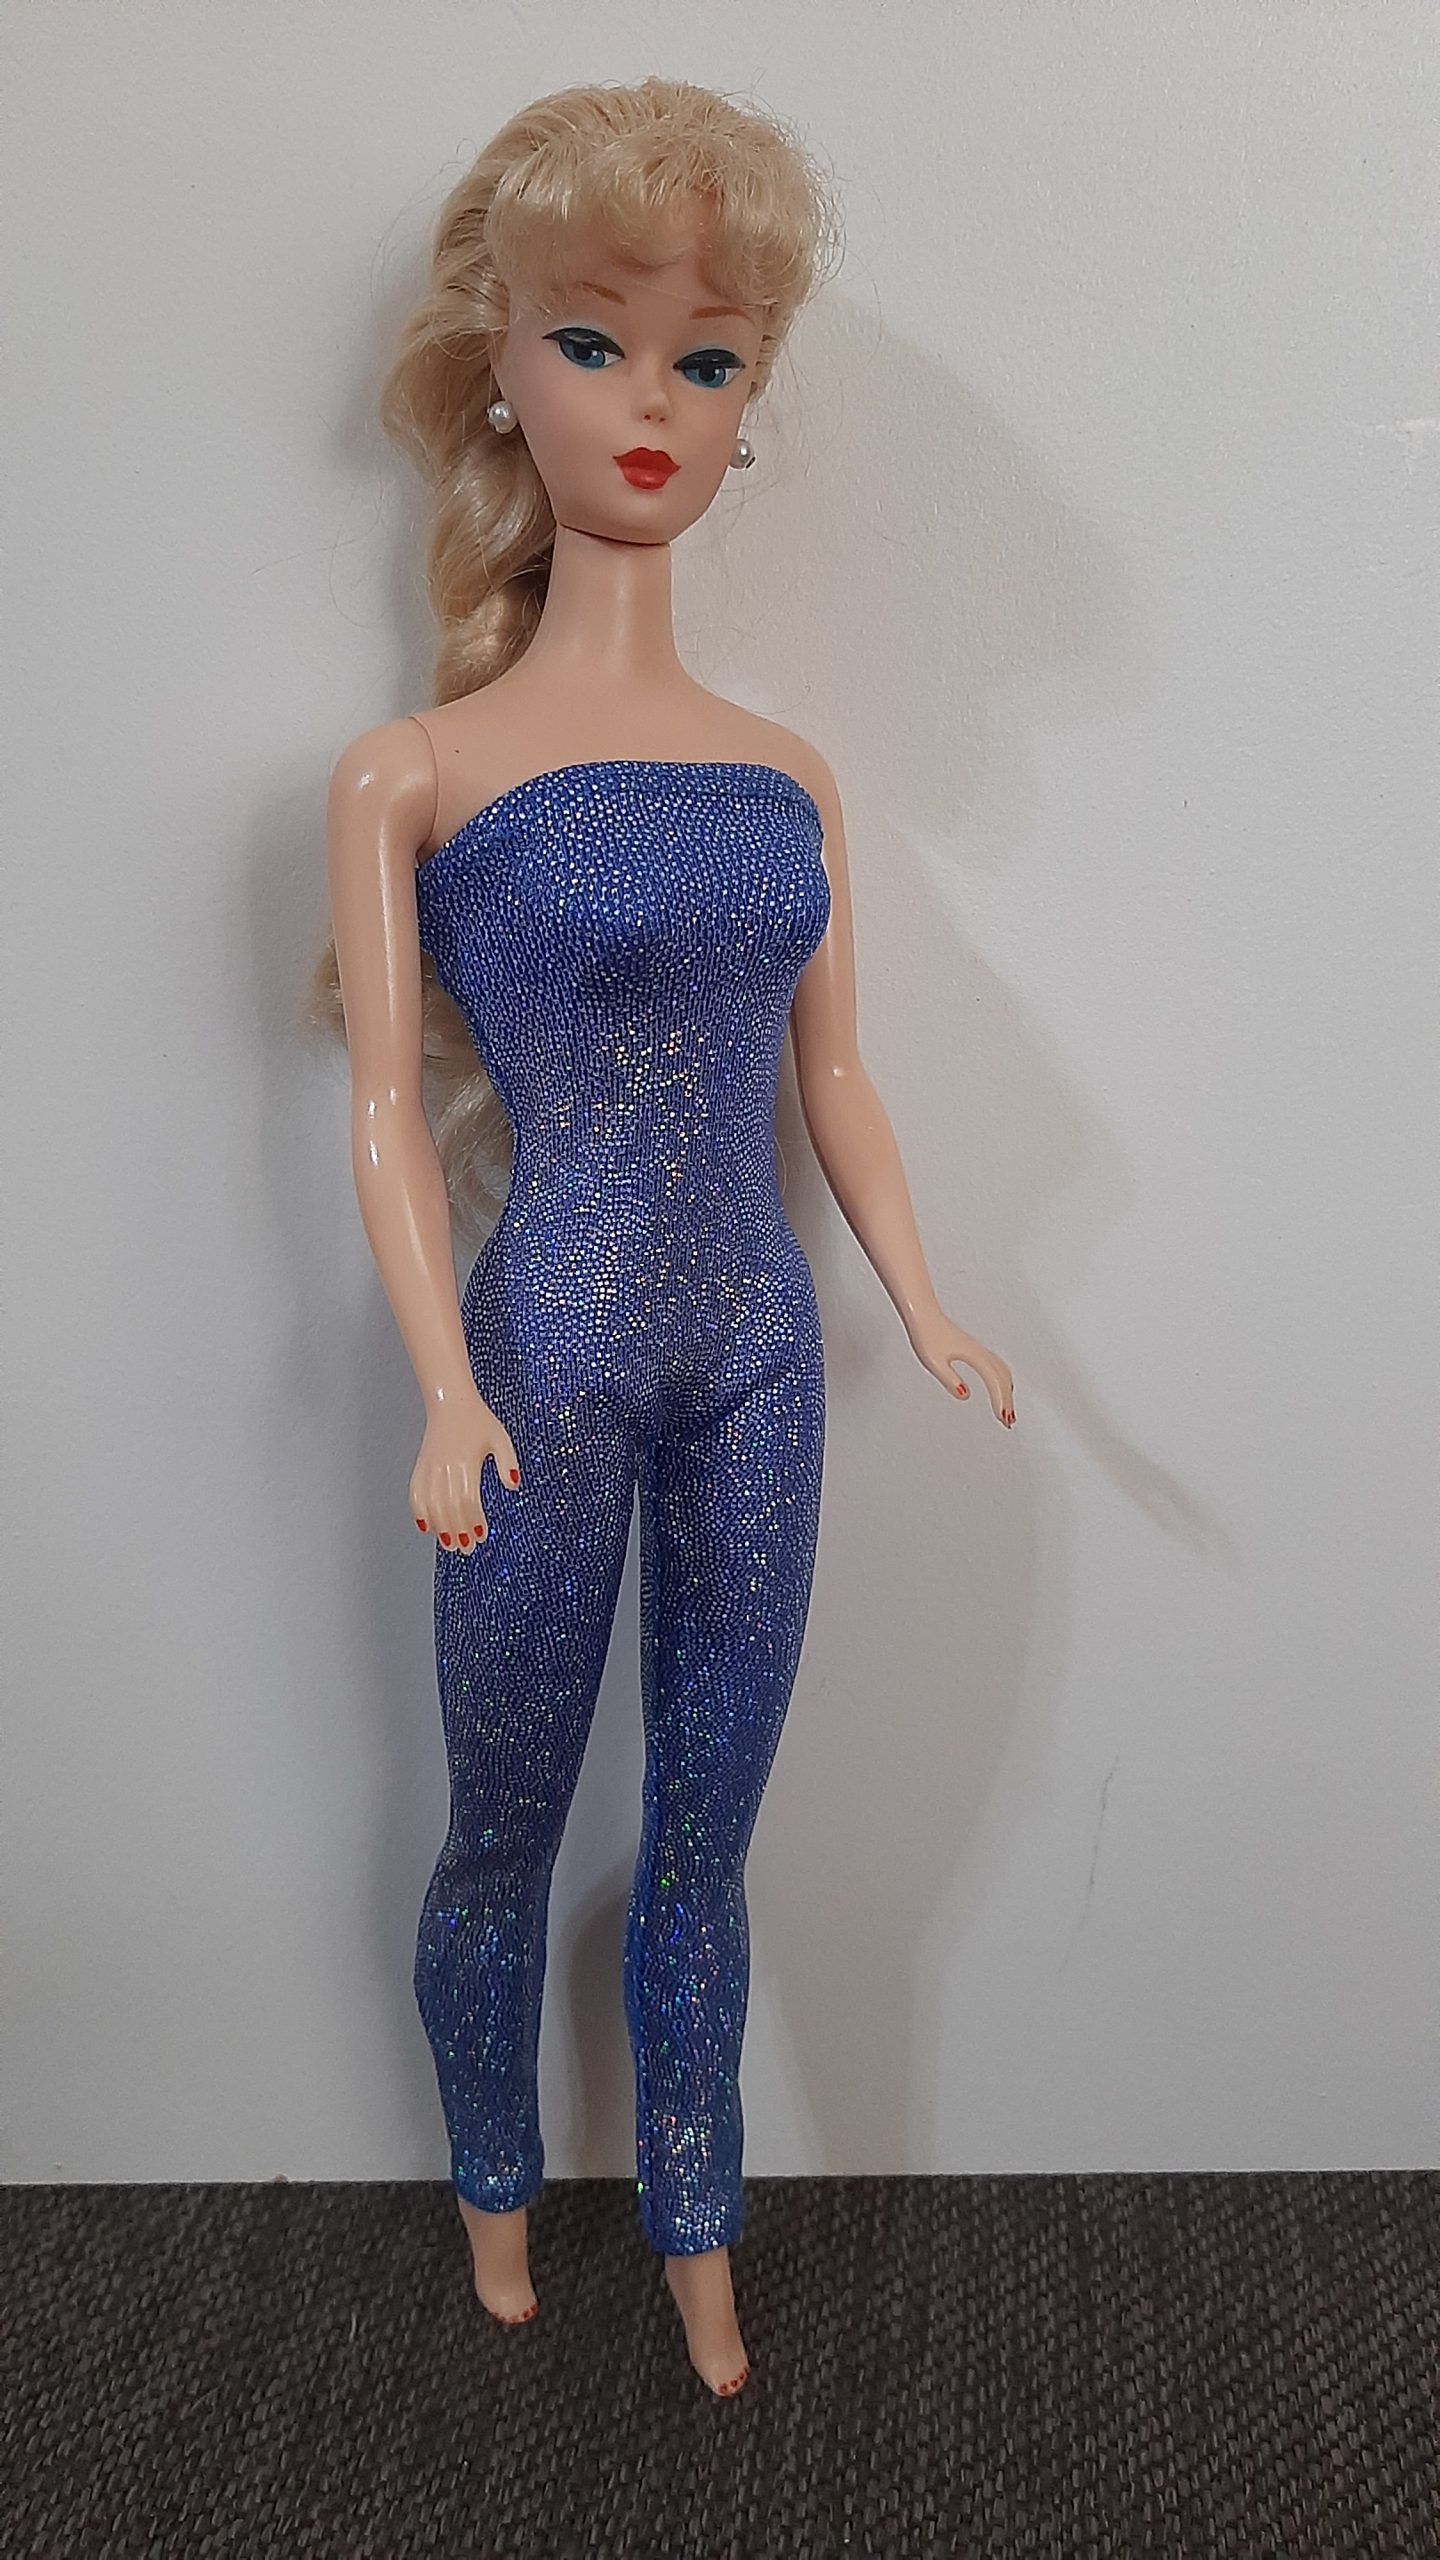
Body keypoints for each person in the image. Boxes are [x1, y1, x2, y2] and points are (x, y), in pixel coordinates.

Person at [307, 75, 1014, 2399]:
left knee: (711, 1837)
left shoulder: (788, 774)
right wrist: (443, 1384)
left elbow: (836, 1080)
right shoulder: (413, 772)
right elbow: (390, 1113)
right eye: (598, 341)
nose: (652, 404)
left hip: (756, 1361)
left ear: (746, 405)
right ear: (498, 364)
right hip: (533, 1369)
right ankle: (493, 2180)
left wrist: (924, 1297)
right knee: (501, 1826)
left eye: (707, 359)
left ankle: (698, 2218)